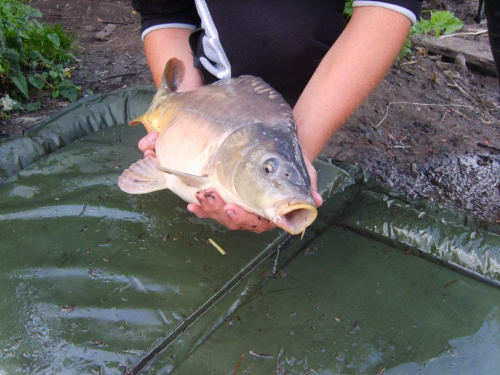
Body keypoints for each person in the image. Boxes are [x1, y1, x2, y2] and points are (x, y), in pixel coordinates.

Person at [131, 0, 422, 232]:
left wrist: (299, 147)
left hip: (310, 102)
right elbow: (165, 14)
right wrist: (178, 116)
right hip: (218, 98)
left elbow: (386, 5)